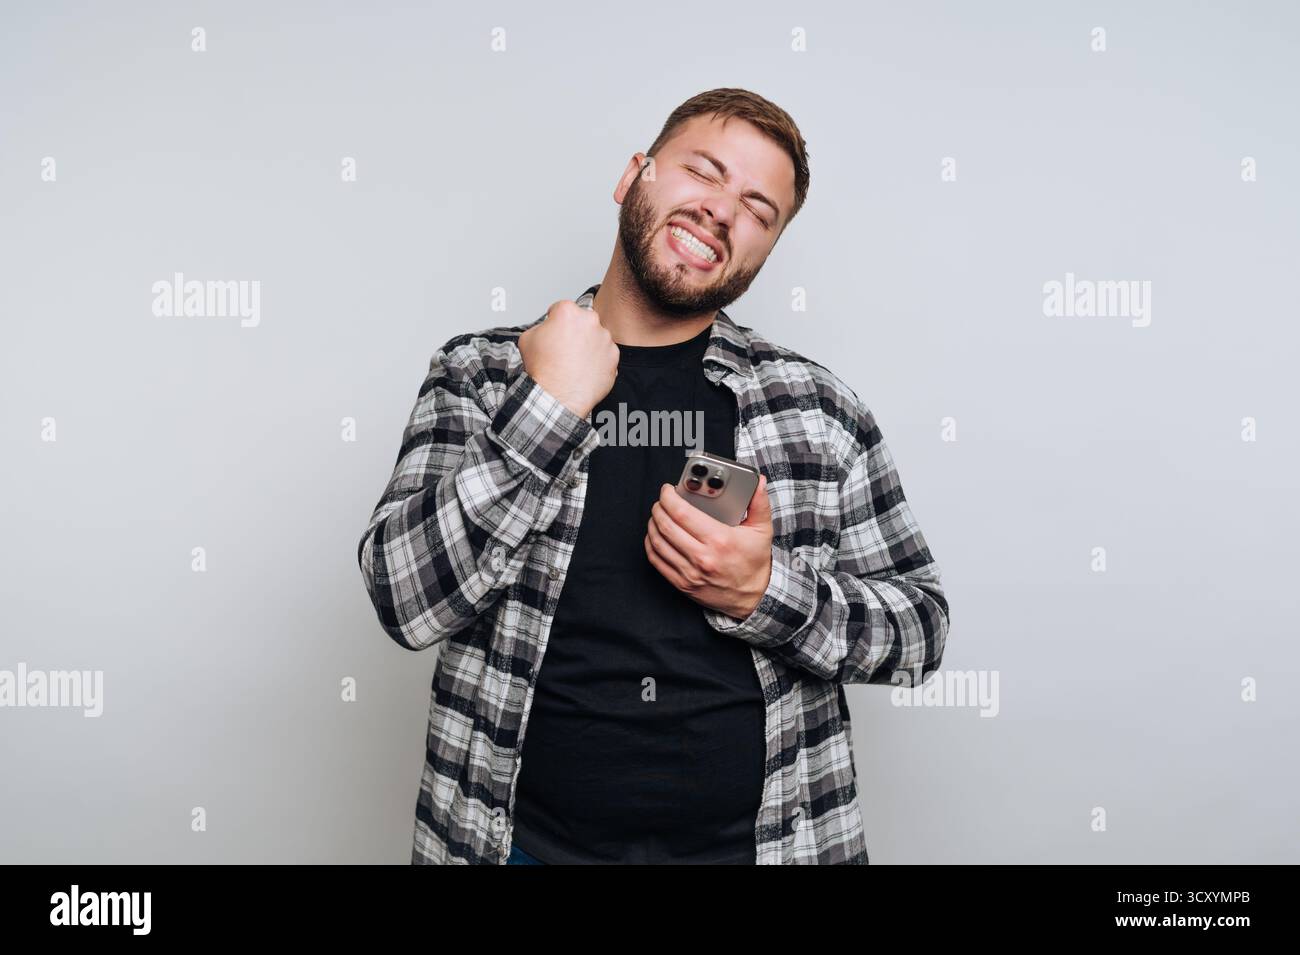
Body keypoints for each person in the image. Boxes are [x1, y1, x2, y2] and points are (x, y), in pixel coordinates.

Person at [357, 88, 950, 865]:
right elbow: (403, 600)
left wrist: (767, 591)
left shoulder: (817, 409)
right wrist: (547, 408)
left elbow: (920, 630)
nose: (721, 211)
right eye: (704, 172)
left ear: (763, 250)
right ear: (634, 176)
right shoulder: (481, 373)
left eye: (758, 209)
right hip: (513, 847)